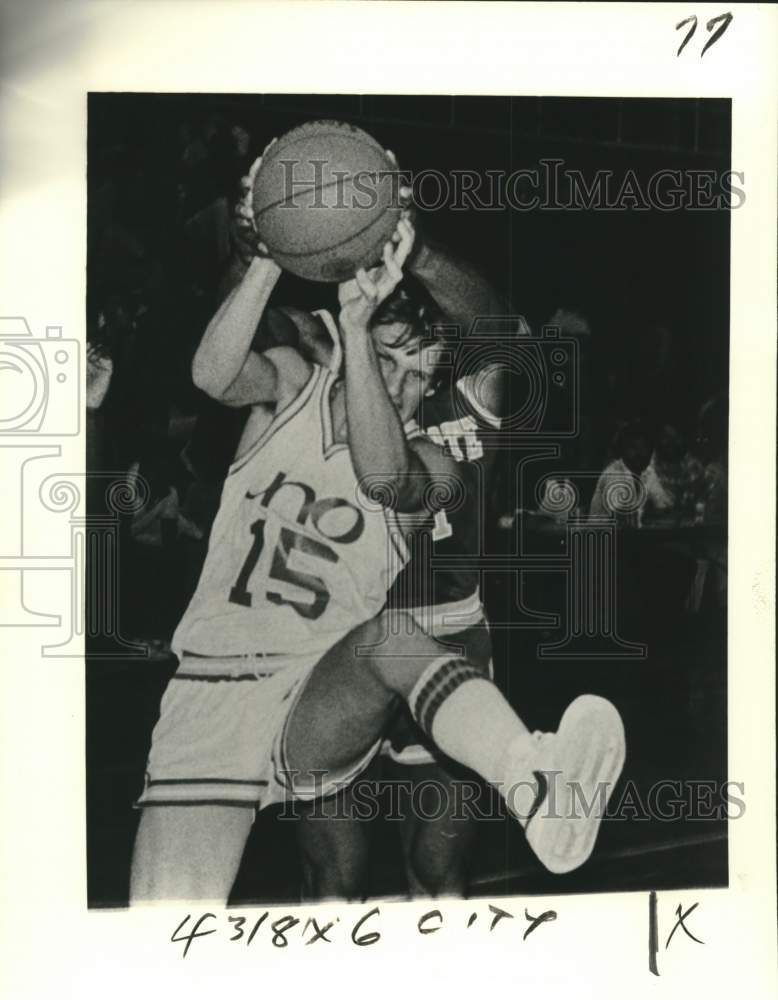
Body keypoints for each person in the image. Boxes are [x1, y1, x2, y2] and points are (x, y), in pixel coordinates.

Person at [129, 202, 626, 902]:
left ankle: (537, 782)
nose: (403, 384)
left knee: (434, 847)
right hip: (215, 689)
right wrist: (267, 250)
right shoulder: (293, 386)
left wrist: (390, 272)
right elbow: (215, 372)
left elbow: (390, 472)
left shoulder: (432, 446)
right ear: (336, 336)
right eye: (387, 359)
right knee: (195, 915)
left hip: (376, 662)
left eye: (417, 371)